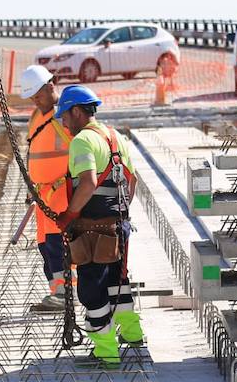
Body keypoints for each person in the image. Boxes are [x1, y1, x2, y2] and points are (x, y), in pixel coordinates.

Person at [54, 85, 143, 364]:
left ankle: (106, 351)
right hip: (117, 227)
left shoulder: (82, 141)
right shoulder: (116, 137)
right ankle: (132, 334)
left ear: (77, 111)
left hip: (92, 231)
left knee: (91, 290)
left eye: (64, 116)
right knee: (118, 282)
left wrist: (70, 214)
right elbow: (132, 180)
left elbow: (88, 182)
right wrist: (120, 214)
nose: (64, 123)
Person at [18, 65, 72, 312]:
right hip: (42, 194)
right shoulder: (36, 116)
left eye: (38, 96)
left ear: (51, 87)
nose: (36, 101)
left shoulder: (66, 116)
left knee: (59, 243)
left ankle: (66, 292)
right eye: (32, 98)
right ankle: (56, 291)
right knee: (44, 244)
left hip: (62, 193)